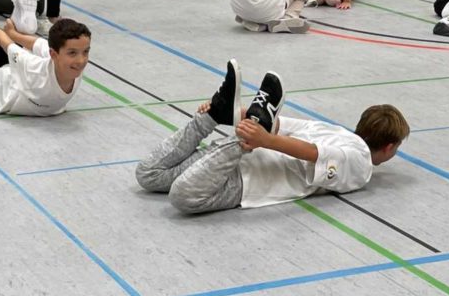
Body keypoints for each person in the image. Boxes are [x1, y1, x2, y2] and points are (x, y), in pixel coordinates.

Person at [134, 60, 409, 213]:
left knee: (148, 174)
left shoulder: (334, 130)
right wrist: (263, 139)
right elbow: (314, 153)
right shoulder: (362, 162)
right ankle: (238, 139)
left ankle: (211, 116)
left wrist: (228, 114)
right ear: (389, 147)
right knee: (183, 197)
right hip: (247, 180)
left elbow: (274, 123)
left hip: (221, 158)